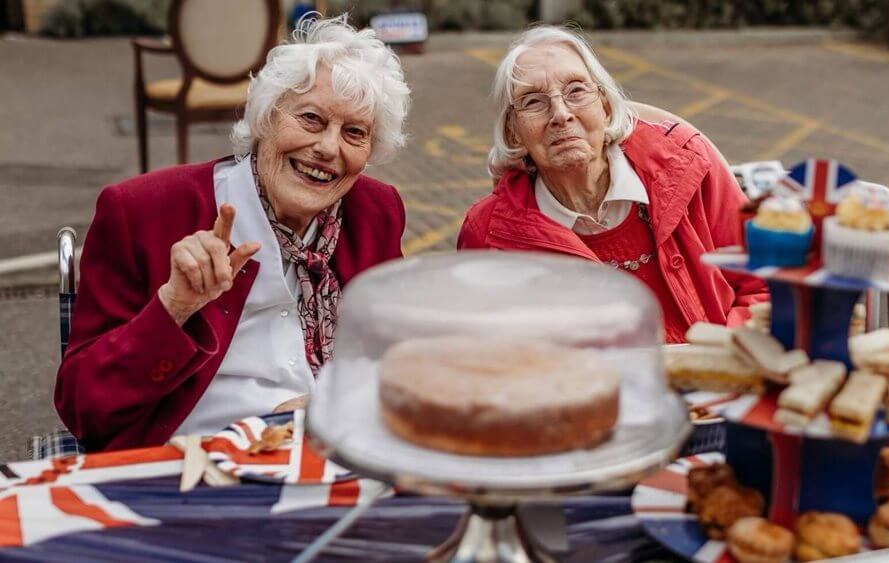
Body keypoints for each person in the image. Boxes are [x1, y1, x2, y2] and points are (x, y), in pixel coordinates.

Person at [55, 15, 411, 452]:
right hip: (191, 462)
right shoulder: (143, 212)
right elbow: (82, 407)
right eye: (311, 119)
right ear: (265, 119)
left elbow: (393, 359)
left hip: (336, 451)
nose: (328, 148)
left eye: (354, 133)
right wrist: (174, 307)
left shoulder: (375, 211)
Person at [457, 26, 768, 343]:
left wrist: (724, 361)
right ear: (513, 133)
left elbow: (765, 282)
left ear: (605, 107)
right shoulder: (487, 235)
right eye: (533, 102)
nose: (561, 114)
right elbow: (489, 351)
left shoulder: (689, 164)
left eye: (576, 91)